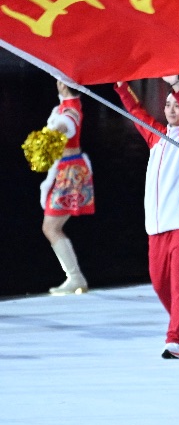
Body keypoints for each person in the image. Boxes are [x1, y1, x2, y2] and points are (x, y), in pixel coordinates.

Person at [114, 76, 179, 359]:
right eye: (167, 105)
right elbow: (136, 111)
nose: (171, 110)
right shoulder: (156, 136)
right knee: (158, 283)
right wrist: (121, 86)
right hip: (156, 226)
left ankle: (175, 338)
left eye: (177, 106)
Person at [41, 80, 94, 295]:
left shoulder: (70, 108)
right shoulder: (65, 106)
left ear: (62, 84)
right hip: (66, 170)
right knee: (51, 227)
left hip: (70, 173)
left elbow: (68, 123)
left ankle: (75, 277)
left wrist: (53, 134)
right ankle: (75, 277)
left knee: (51, 227)